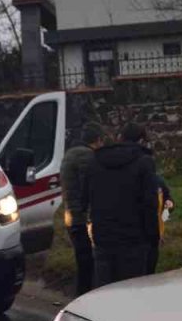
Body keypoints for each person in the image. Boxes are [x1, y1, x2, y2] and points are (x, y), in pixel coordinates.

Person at [82, 121, 159, 287]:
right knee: (131, 289)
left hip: (103, 235)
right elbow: (150, 204)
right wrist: (153, 237)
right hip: (134, 239)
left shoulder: (95, 160)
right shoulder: (144, 162)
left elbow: (84, 198)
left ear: (119, 137)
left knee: (103, 288)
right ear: (141, 141)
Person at [60, 122, 106, 296]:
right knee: (89, 263)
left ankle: (82, 295)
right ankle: (84, 299)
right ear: (98, 140)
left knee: (82, 260)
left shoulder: (70, 154)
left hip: (70, 216)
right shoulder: (87, 156)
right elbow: (92, 187)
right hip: (82, 217)